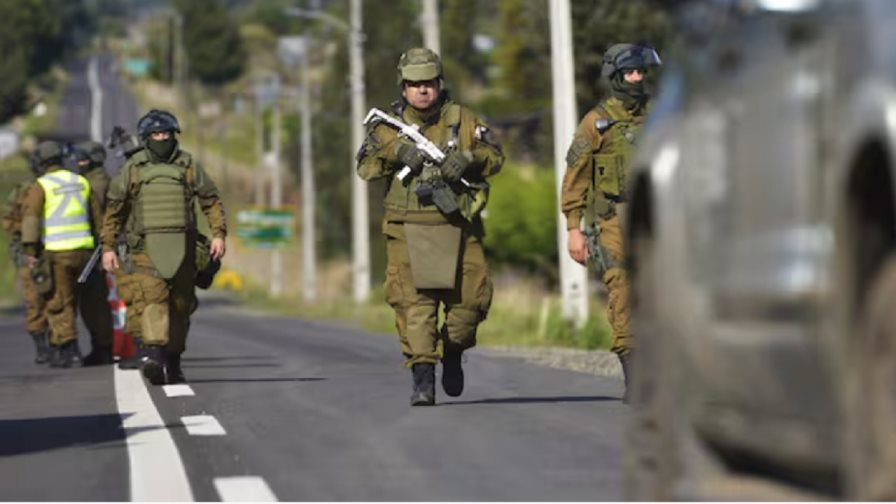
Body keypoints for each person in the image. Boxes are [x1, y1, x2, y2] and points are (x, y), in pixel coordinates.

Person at [357, 48, 504, 406]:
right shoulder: (386, 127)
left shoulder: (464, 120)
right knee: (414, 307)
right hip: (407, 228)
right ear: (403, 87)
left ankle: (453, 351)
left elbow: (496, 158)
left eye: (429, 83)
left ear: (439, 83)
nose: (423, 91)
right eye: (414, 84)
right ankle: (423, 379)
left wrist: (468, 159)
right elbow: (365, 168)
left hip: (459, 225)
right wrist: (397, 154)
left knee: (468, 307)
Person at [561, 43, 661, 402]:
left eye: (641, 72)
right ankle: (633, 374)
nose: (638, 78)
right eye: (631, 72)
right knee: (621, 290)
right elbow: (575, 178)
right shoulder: (596, 123)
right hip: (613, 221)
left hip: (658, 218)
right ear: (617, 77)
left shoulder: (661, 114)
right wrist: (574, 228)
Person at [100, 109, 227, 385]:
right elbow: (115, 210)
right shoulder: (133, 169)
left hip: (184, 250)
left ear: (174, 135)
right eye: (156, 134)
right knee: (153, 301)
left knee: (180, 307)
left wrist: (218, 234)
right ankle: (154, 357)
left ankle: (173, 362)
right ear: (146, 138)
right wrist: (108, 246)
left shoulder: (188, 165)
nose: (162, 138)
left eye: (166, 133)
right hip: (145, 249)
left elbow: (211, 201)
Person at [20, 140, 103, 367]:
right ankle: (102, 347)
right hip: (85, 252)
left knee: (59, 301)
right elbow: (98, 218)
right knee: (88, 300)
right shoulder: (81, 181)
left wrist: (31, 250)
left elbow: (31, 219)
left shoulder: (42, 185)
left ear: (42, 162)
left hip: (58, 253)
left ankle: (70, 350)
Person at [2, 149, 51, 364]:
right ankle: (42, 347)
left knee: (55, 300)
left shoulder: (52, 188)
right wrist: (26, 229)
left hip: (52, 252)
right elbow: (7, 219)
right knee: (34, 301)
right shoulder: (22, 191)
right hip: (28, 254)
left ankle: (58, 344)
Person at [72, 142, 115, 365]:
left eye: (83, 159)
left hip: (96, 249)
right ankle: (103, 346)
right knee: (94, 302)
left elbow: (97, 218)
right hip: (97, 248)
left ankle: (103, 347)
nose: (79, 163)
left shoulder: (95, 184)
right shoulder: (96, 180)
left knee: (94, 302)